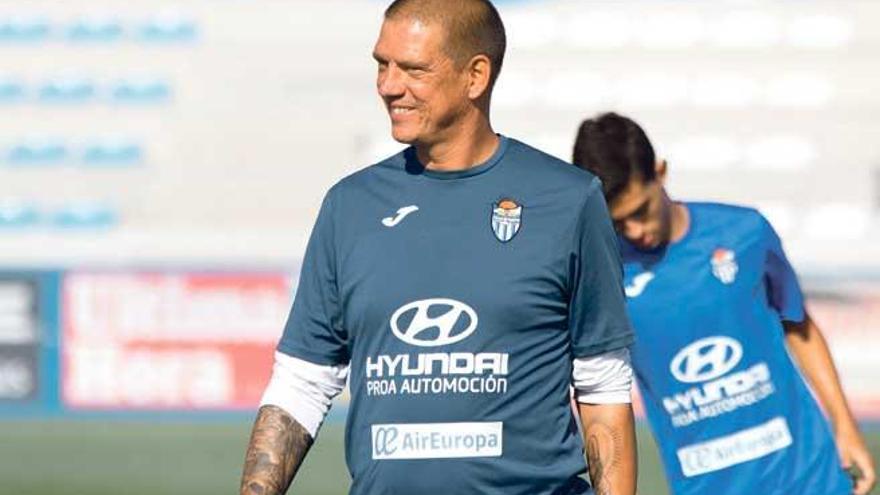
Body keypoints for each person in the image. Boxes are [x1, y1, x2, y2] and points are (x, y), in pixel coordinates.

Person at [239, 1, 639, 494]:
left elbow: (603, 385)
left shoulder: (569, 200)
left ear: (475, 76)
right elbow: (303, 381)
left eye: (412, 69)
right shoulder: (350, 206)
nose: (388, 85)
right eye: (382, 65)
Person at [572, 112, 877, 495]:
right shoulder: (602, 274)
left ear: (661, 172)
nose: (635, 231)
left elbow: (798, 326)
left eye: (640, 212)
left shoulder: (745, 233)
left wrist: (844, 426)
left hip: (807, 476)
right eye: (619, 223)